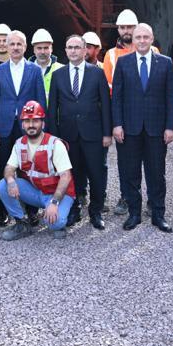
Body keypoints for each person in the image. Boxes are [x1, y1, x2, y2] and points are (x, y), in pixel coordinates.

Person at [111, 22, 173, 232]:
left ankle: (158, 215)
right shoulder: (123, 63)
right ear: (134, 39)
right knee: (131, 174)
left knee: (157, 173)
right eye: (138, 37)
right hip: (129, 129)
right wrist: (117, 125)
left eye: (145, 37)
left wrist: (170, 126)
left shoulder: (165, 63)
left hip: (156, 129)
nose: (141, 41)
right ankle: (134, 214)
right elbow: (117, 98)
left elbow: (170, 97)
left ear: (151, 39)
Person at [47, 34, 111, 229]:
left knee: (97, 172)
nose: (73, 51)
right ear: (65, 51)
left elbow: (106, 105)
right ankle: (74, 209)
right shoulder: (58, 75)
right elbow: (53, 108)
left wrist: (107, 133)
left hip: (93, 133)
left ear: (85, 50)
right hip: (68, 135)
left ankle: (96, 211)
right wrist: (54, 136)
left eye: (77, 47)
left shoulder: (97, 73)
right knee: (72, 174)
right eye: (69, 47)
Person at [0, 30, 46, 225]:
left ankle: (31, 211)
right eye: (11, 44)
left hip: (28, 127)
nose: (15, 47)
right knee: (4, 167)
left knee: (28, 169)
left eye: (19, 44)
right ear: (6, 46)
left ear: (25, 47)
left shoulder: (34, 70)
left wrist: (41, 129)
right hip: (4, 128)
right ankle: (4, 210)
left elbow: (40, 100)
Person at [0, 101, 76, 241]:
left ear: (43, 123)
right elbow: (9, 168)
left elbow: (66, 176)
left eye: (35, 120)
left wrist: (54, 202)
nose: (31, 125)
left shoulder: (55, 144)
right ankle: (22, 223)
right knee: (3, 185)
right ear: (22, 124)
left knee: (55, 224)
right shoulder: (19, 143)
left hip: (58, 194)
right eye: (27, 121)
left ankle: (63, 213)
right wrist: (10, 180)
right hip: (37, 192)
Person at [30, 29, 63, 104]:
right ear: (34, 50)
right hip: (32, 114)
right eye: (39, 48)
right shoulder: (25, 70)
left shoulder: (62, 69)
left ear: (51, 49)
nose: (42, 52)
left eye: (46, 48)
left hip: (55, 115)